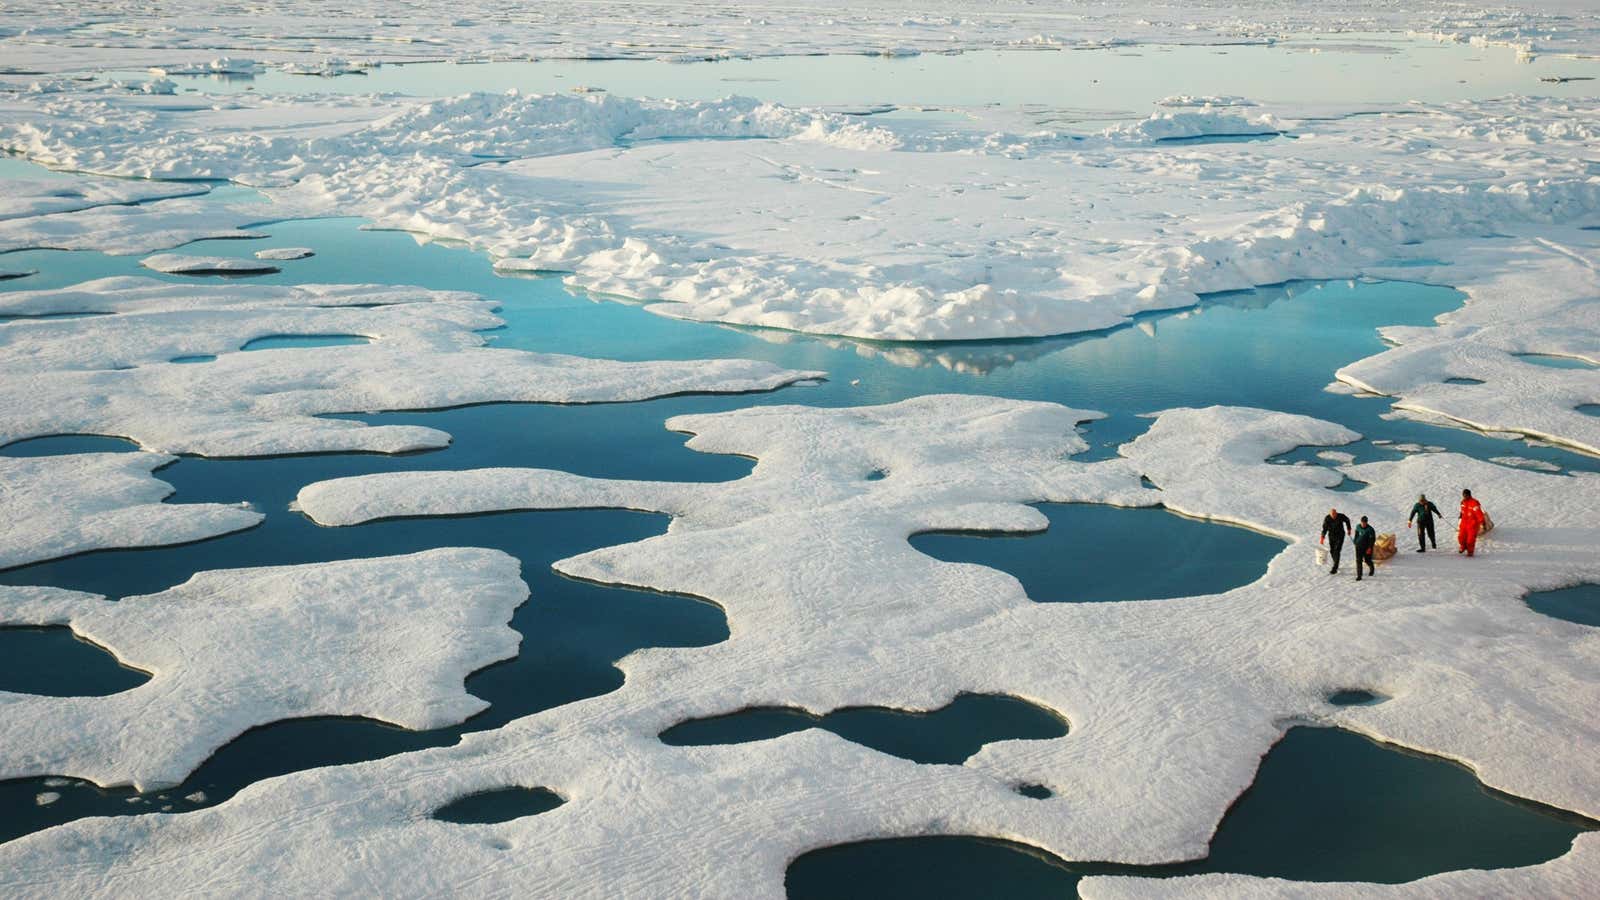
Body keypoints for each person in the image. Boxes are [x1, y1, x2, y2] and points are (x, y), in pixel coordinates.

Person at [1320, 508, 1353, 574]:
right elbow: (1324, 528)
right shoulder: (1327, 518)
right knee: (1332, 551)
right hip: (1331, 535)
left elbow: (1347, 520)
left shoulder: (1340, 516)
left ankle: (1335, 567)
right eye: (1332, 515)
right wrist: (1322, 537)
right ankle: (1336, 562)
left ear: (1336, 513)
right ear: (1330, 514)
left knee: (1337, 550)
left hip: (1340, 535)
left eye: (1335, 514)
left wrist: (1349, 529)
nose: (1334, 516)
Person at [1458, 488, 1485, 557]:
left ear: (1469, 495)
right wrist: (1461, 514)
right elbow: (1462, 510)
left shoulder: (1474, 503)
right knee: (1460, 537)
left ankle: (1470, 551)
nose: (1464, 497)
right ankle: (1463, 547)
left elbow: (1479, 513)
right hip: (1464, 523)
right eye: (1463, 495)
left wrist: (1482, 522)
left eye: (1465, 495)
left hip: (1472, 524)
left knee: (1470, 540)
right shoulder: (1463, 502)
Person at [1353, 515, 1377, 581]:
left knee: (1367, 560)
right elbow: (1356, 534)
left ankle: (1372, 568)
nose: (1363, 524)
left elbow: (1372, 540)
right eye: (1362, 522)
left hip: (1367, 547)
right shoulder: (1358, 527)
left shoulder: (1370, 529)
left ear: (1367, 522)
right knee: (1358, 560)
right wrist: (1355, 541)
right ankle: (1359, 576)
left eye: (1364, 523)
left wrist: (1370, 548)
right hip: (1358, 547)